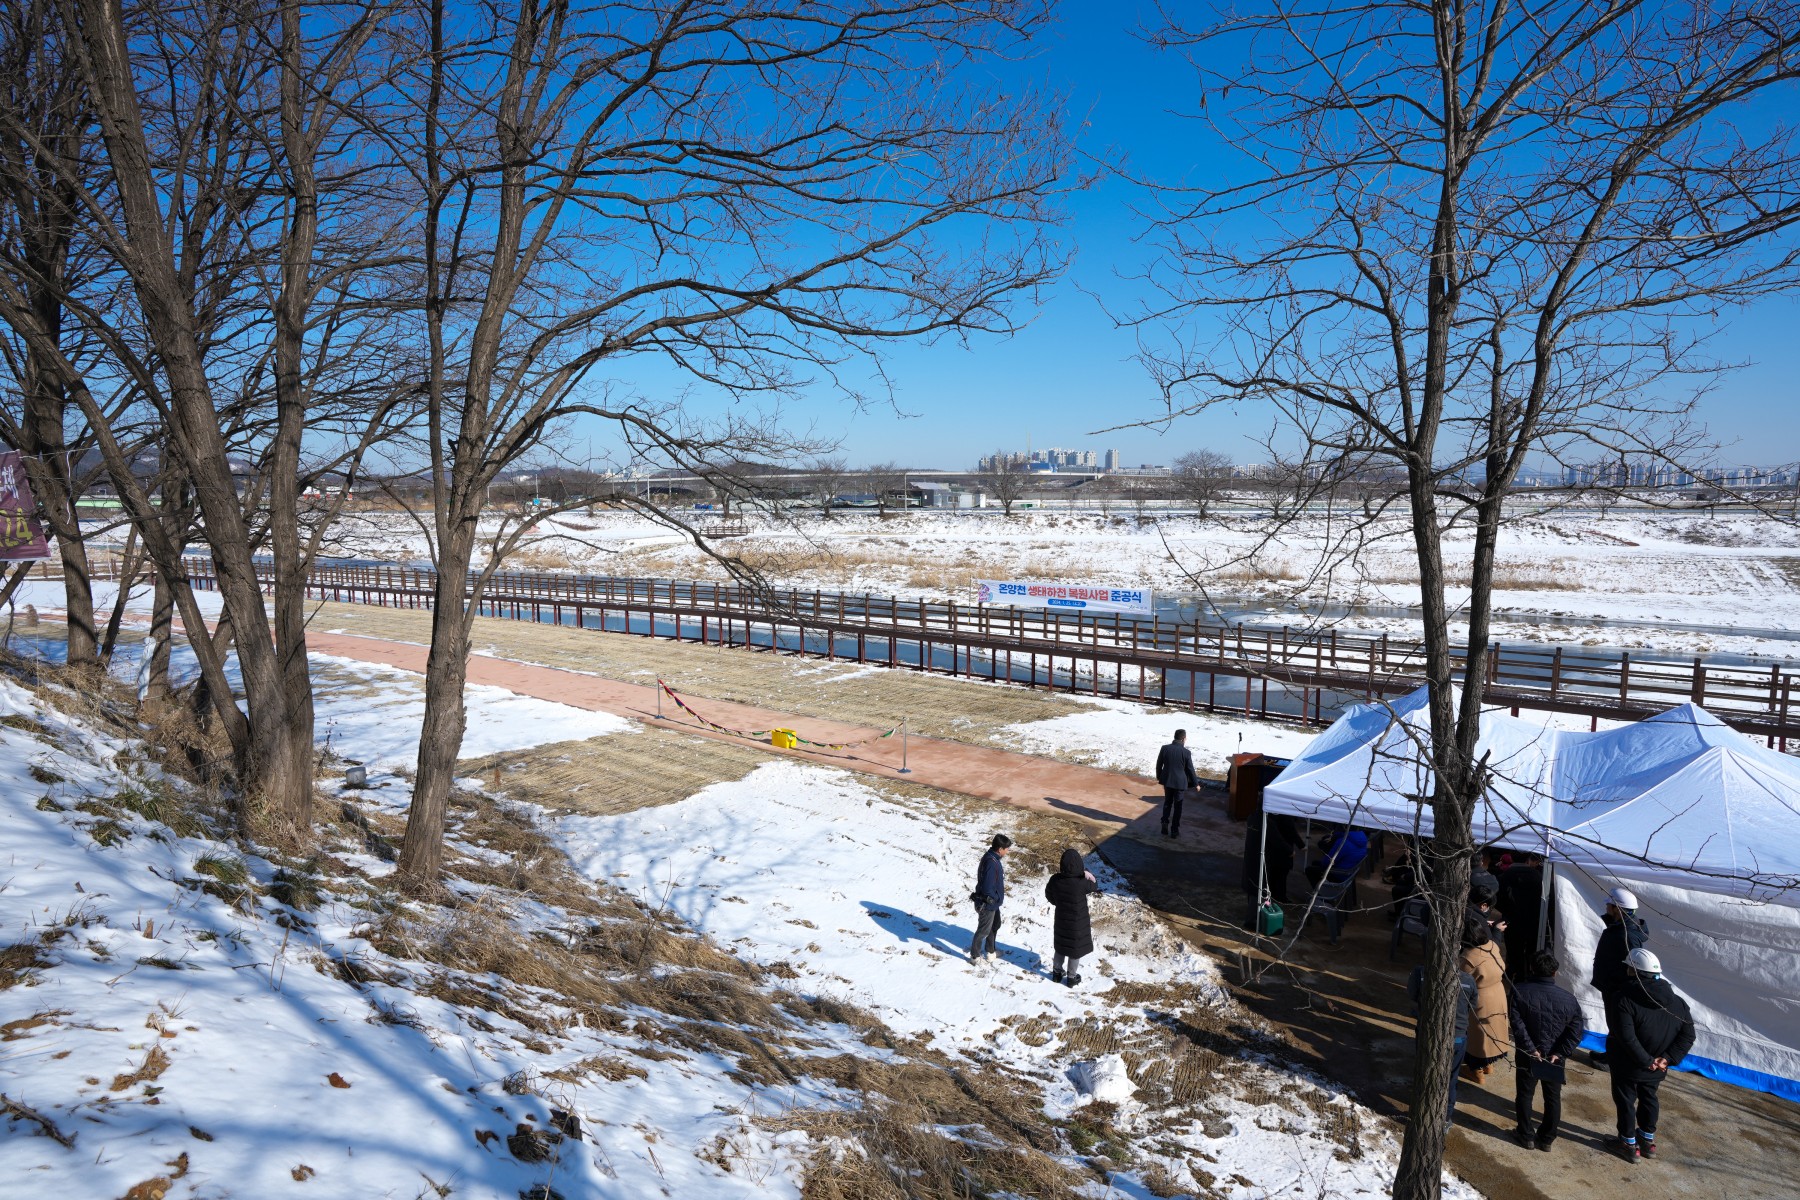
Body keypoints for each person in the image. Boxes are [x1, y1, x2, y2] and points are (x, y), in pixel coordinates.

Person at [1608, 948, 1696, 1163]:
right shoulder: (1678, 1003)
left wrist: (1647, 1061)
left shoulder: (1623, 999)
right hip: (1658, 1067)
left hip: (1628, 1065)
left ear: (1634, 972)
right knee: (1649, 1098)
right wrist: (1666, 1059)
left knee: (1626, 1101)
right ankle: (1647, 1141)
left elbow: (1626, 1037)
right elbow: (1687, 1035)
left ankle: (1628, 1143)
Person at [1508, 950, 1586, 1152]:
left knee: (1525, 1094)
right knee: (1552, 1097)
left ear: (1532, 969)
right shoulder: (1569, 999)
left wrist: (1531, 1049)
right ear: (1555, 973)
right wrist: (1560, 1053)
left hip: (1528, 1055)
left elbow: (1517, 1025)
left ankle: (1526, 1135)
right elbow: (1576, 1031)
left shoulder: (1519, 991)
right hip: (1554, 1057)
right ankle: (1547, 1138)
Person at [1408, 953, 1480, 1132]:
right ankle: (1445, 1117)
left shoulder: (1421, 973)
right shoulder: (1468, 980)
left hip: (1428, 1033)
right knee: (1451, 1078)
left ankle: (1421, 1111)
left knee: (1424, 1071)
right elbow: (1473, 1004)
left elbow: (1412, 994)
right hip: (1458, 1036)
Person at [1590, 886, 1650, 1063]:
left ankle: (1613, 1059)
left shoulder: (1627, 935)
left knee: (1617, 1025)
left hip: (1616, 988)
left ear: (1618, 909)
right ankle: (1611, 1055)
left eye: (1609, 906)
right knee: (1613, 1025)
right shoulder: (1619, 928)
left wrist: (1620, 987)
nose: (1606, 908)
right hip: (1612, 985)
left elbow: (1634, 967)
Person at [1458, 911, 1510, 1081]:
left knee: (1477, 1036)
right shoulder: (1492, 946)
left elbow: (1461, 980)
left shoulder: (1468, 957)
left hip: (1481, 998)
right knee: (1493, 1032)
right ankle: (1488, 1065)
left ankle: (1476, 1071)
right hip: (1498, 993)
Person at [1043, 848, 1100, 986]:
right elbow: (1094, 885)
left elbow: (1048, 893)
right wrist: (1087, 873)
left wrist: (1057, 902)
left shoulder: (1056, 880)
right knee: (1074, 950)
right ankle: (1071, 977)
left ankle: (1056, 973)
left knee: (1061, 945)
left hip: (1062, 919)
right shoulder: (1082, 883)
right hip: (1077, 923)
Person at [1241, 809, 1305, 924]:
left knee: (1254, 888)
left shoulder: (1252, 817)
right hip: (1262, 859)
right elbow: (1278, 839)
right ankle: (1252, 919)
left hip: (1251, 857)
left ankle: (1256, 914)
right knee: (1260, 889)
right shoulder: (1267, 822)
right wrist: (1291, 850)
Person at [1497, 852, 1547, 977]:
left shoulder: (1505, 875)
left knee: (1513, 949)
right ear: (1528, 860)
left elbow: (1498, 899)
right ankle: (1528, 973)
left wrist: (1506, 911)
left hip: (1511, 920)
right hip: (1533, 920)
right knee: (1531, 948)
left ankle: (1514, 970)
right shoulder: (1538, 876)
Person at [967, 834, 1012, 961]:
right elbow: (987, 886)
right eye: (1006, 849)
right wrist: (993, 898)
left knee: (995, 925)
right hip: (987, 903)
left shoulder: (993, 858)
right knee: (983, 931)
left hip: (994, 902)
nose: (1007, 851)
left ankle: (990, 951)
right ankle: (975, 956)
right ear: (1000, 849)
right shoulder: (992, 863)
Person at [1154, 729, 1199, 838]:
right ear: (1183, 739)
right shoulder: (1186, 753)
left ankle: (1164, 822)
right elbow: (1190, 770)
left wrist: (1160, 777)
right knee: (1178, 806)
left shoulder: (1165, 748)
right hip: (1180, 783)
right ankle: (1174, 830)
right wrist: (1196, 783)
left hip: (1167, 781)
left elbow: (1159, 764)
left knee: (1167, 802)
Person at [1304, 825, 1368, 890]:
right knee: (1315, 863)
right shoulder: (1362, 840)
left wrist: (1324, 847)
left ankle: (1321, 894)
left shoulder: (1343, 842)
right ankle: (1323, 890)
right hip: (1349, 873)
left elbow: (1328, 861)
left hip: (1339, 875)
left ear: (1345, 827)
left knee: (1309, 870)